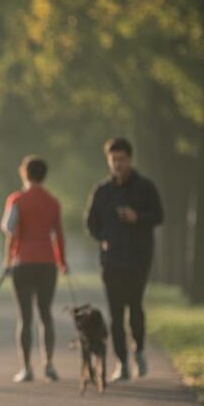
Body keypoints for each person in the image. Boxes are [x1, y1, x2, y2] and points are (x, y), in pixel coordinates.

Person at [85, 137, 164, 382]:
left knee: (135, 309)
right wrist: (102, 238)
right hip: (111, 260)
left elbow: (159, 216)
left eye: (122, 159)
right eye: (113, 159)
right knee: (115, 315)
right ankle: (122, 362)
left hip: (139, 259)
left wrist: (137, 216)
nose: (118, 164)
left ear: (130, 159)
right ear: (108, 161)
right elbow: (91, 222)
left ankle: (138, 350)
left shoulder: (145, 187)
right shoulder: (102, 190)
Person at [0, 155, 67, 383]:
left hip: (23, 262)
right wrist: (62, 261)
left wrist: (7, 259)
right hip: (47, 263)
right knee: (46, 314)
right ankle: (48, 364)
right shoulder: (53, 202)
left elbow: (11, 231)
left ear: (24, 174)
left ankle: (26, 368)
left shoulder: (16, 199)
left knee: (25, 317)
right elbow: (58, 234)